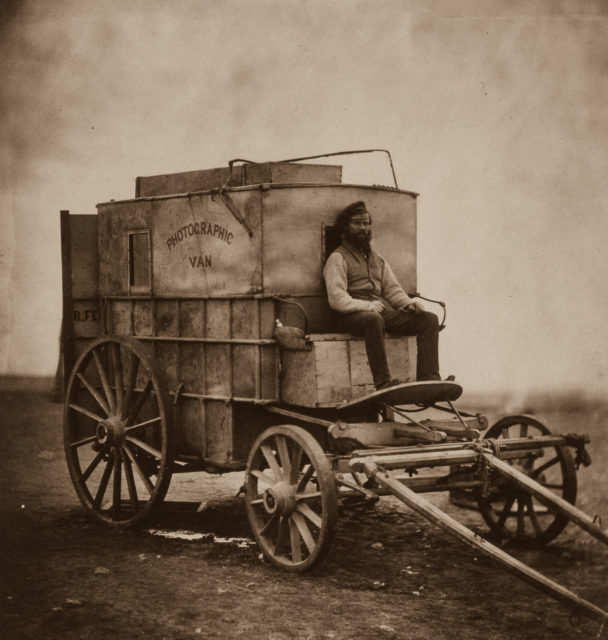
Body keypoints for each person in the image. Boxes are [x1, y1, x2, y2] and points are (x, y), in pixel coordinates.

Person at [323, 200, 444, 391]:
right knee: (373, 319)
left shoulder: (377, 260)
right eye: (357, 223)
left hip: (375, 313)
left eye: (366, 223)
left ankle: (429, 379)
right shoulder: (337, 258)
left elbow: (392, 290)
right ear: (345, 228)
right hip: (346, 316)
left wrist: (409, 304)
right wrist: (365, 306)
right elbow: (337, 298)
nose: (363, 228)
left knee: (428, 319)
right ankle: (383, 382)